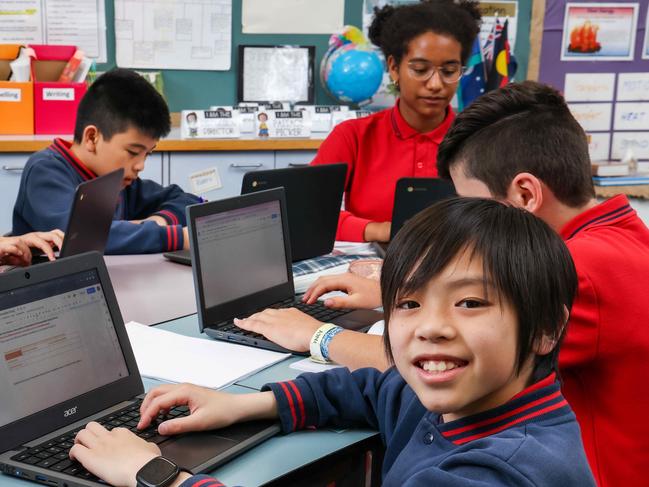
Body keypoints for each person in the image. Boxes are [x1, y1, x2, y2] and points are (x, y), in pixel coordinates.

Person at [242, 81, 648, 486]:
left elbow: (440, 366)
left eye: (471, 202)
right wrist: (405, 291)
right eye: (411, 304)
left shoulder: (581, 270)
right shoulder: (623, 234)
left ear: (525, 195)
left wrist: (319, 335)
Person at [67, 198, 595, 486]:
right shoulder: (474, 397)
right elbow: (374, 390)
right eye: (408, 305)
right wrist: (245, 404)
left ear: (546, 326)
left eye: (470, 303)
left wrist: (155, 475)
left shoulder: (493, 472)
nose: (431, 327)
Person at [311, 0, 480, 242]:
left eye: (449, 71)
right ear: (393, 67)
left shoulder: (479, 141)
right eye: (420, 70)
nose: (435, 84)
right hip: (372, 268)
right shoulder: (353, 137)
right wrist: (383, 230)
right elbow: (309, 213)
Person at [12, 68, 201, 254]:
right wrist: (177, 238)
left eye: (147, 154)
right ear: (92, 137)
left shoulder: (117, 180)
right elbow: (85, 237)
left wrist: (157, 222)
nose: (140, 166)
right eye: (133, 152)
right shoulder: (45, 171)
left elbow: (188, 201)